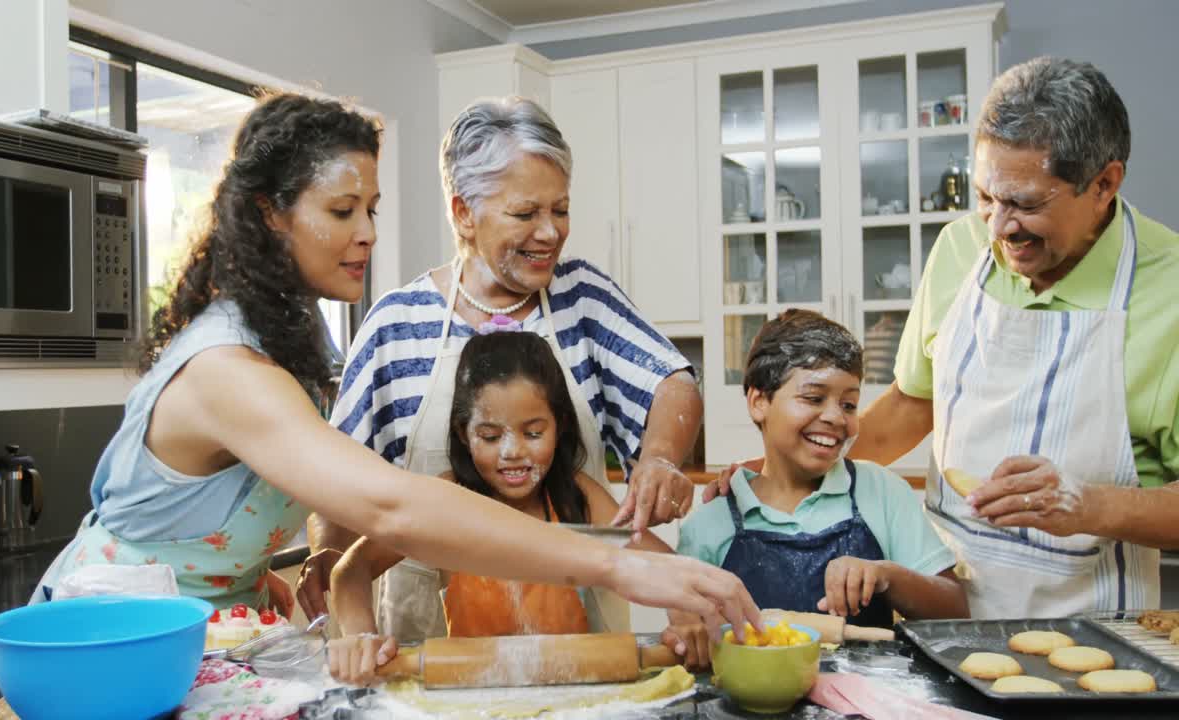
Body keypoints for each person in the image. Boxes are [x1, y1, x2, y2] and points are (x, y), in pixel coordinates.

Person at [29, 93, 759, 639]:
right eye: (344, 211)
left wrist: (254, 582)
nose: (370, 234)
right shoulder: (228, 366)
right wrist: (611, 563)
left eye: (371, 210)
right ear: (271, 214)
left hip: (212, 630)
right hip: (117, 633)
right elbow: (386, 506)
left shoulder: (284, 342)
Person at [710, 58, 1179, 618]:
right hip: (943, 609)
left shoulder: (1168, 290)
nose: (1000, 227)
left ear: (1105, 184)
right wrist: (787, 466)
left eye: (1026, 204)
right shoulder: (961, 248)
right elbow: (916, 402)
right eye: (986, 197)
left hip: (1095, 626)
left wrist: (1088, 505)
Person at [305, 97, 705, 640]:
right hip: (429, 648)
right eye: (525, 213)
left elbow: (672, 384)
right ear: (464, 211)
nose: (549, 233)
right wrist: (334, 578)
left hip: (584, 642)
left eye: (559, 210)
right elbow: (335, 481)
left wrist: (659, 459)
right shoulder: (395, 324)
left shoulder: (583, 298)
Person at [326, 331, 712, 683]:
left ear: (558, 425)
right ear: (464, 433)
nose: (512, 453)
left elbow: (661, 564)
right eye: (490, 436)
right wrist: (362, 638)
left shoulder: (574, 495)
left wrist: (685, 613)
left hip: (573, 695)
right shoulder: (446, 500)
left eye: (533, 432)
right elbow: (351, 570)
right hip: (471, 699)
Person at [679, 310, 966, 629]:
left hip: (872, 681)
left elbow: (955, 610)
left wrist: (886, 577)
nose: (835, 417)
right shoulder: (709, 524)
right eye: (814, 398)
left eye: (849, 405)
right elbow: (692, 633)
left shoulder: (881, 492)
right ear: (759, 402)